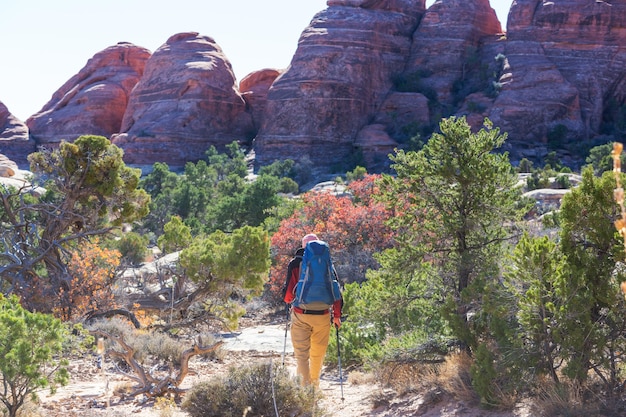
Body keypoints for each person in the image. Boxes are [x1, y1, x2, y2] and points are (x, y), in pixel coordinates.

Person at [283, 233, 342, 388]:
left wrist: (289, 301)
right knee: (317, 354)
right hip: (323, 315)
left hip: (301, 314)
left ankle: (304, 389)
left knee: (302, 355)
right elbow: (336, 291)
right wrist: (337, 315)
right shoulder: (327, 263)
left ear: (304, 246)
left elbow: (288, 295)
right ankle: (314, 387)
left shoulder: (296, 263)